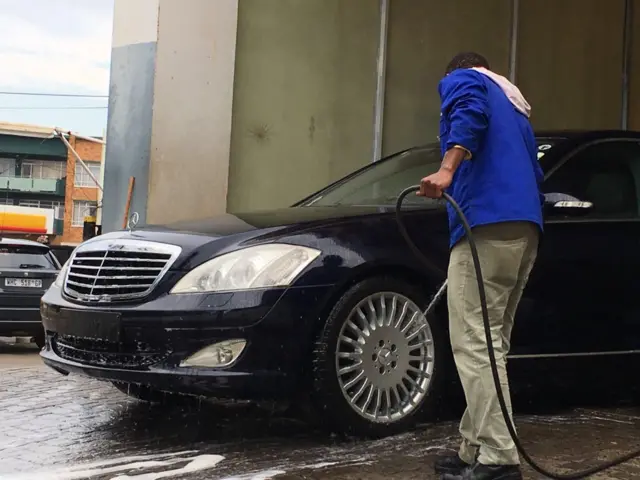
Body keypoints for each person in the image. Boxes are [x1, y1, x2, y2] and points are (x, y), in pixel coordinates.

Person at [418, 52, 543, 480]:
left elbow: (467, 113)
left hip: (486, 224)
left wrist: (446, 169)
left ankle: (497, 457)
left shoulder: (465, 80)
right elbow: (533, 171)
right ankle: (474, 446)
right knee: (491, 344)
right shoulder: (515, 106)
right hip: (524, 228)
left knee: (473, 342)